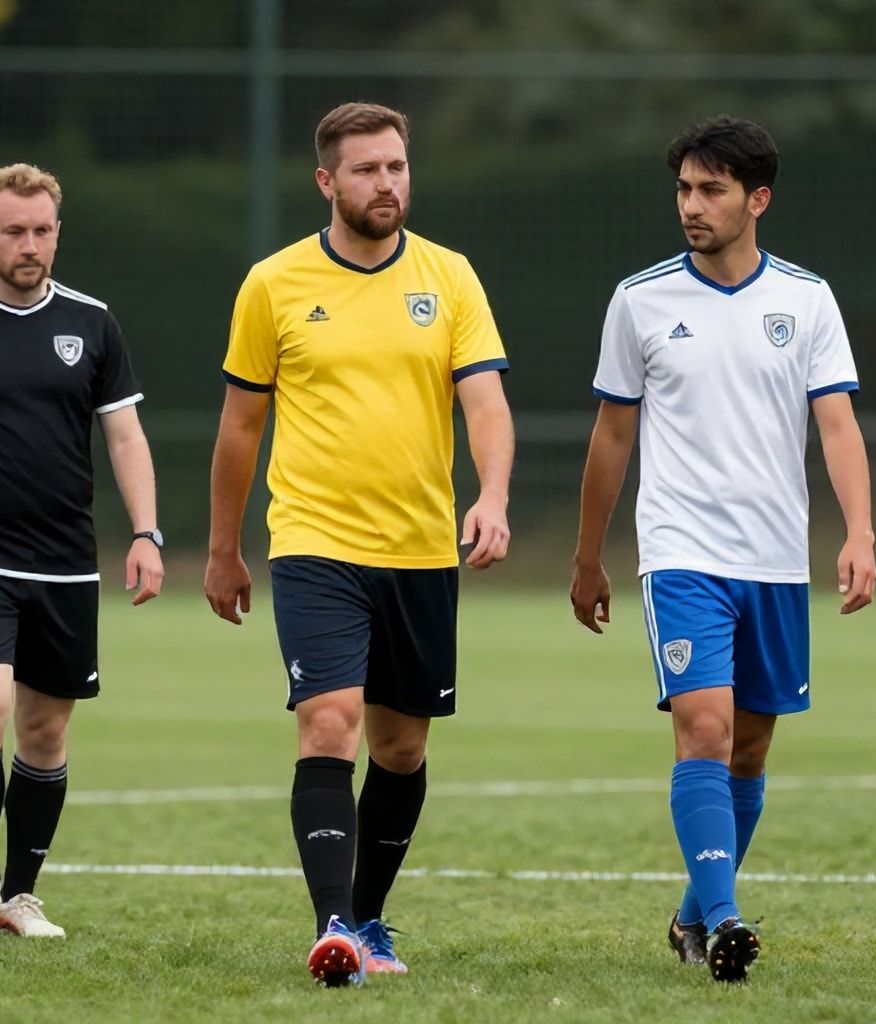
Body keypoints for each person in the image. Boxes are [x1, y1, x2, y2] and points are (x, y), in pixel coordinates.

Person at [205, 101, 515, 987]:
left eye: (398, 167)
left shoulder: (450, 277)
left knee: (402, 748)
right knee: (328, 723)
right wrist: (225, 549)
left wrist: (491, 495)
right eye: (369, 169)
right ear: (327, 182)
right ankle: (333, 925)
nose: (388, 184)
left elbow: (485, 402)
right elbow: (239, 428)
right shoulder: (273, 283)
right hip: (314, 542)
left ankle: (372, 916)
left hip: (421, 548)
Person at [569, 116, 876, 983]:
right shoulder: (641, 300)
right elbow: (610, 439)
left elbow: (839, 425)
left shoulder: (807, 300)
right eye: (683, 190)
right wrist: (588, 556)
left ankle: (692, 912)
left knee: (748, 749)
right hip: (681, 551)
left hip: (776, 561)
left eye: (711, 190)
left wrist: (859, 532)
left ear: (758, 199)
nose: (692, 206)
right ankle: (730, 919)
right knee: (702, 729)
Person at [0, 163, 162, 938]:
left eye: (42, 230)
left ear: (58, 232)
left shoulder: (93, 323)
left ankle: (21, 894)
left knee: (46, 734)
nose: (29, 245)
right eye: (14, 231)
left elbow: (123, 434)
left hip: (65, 557)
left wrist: (147, 533)